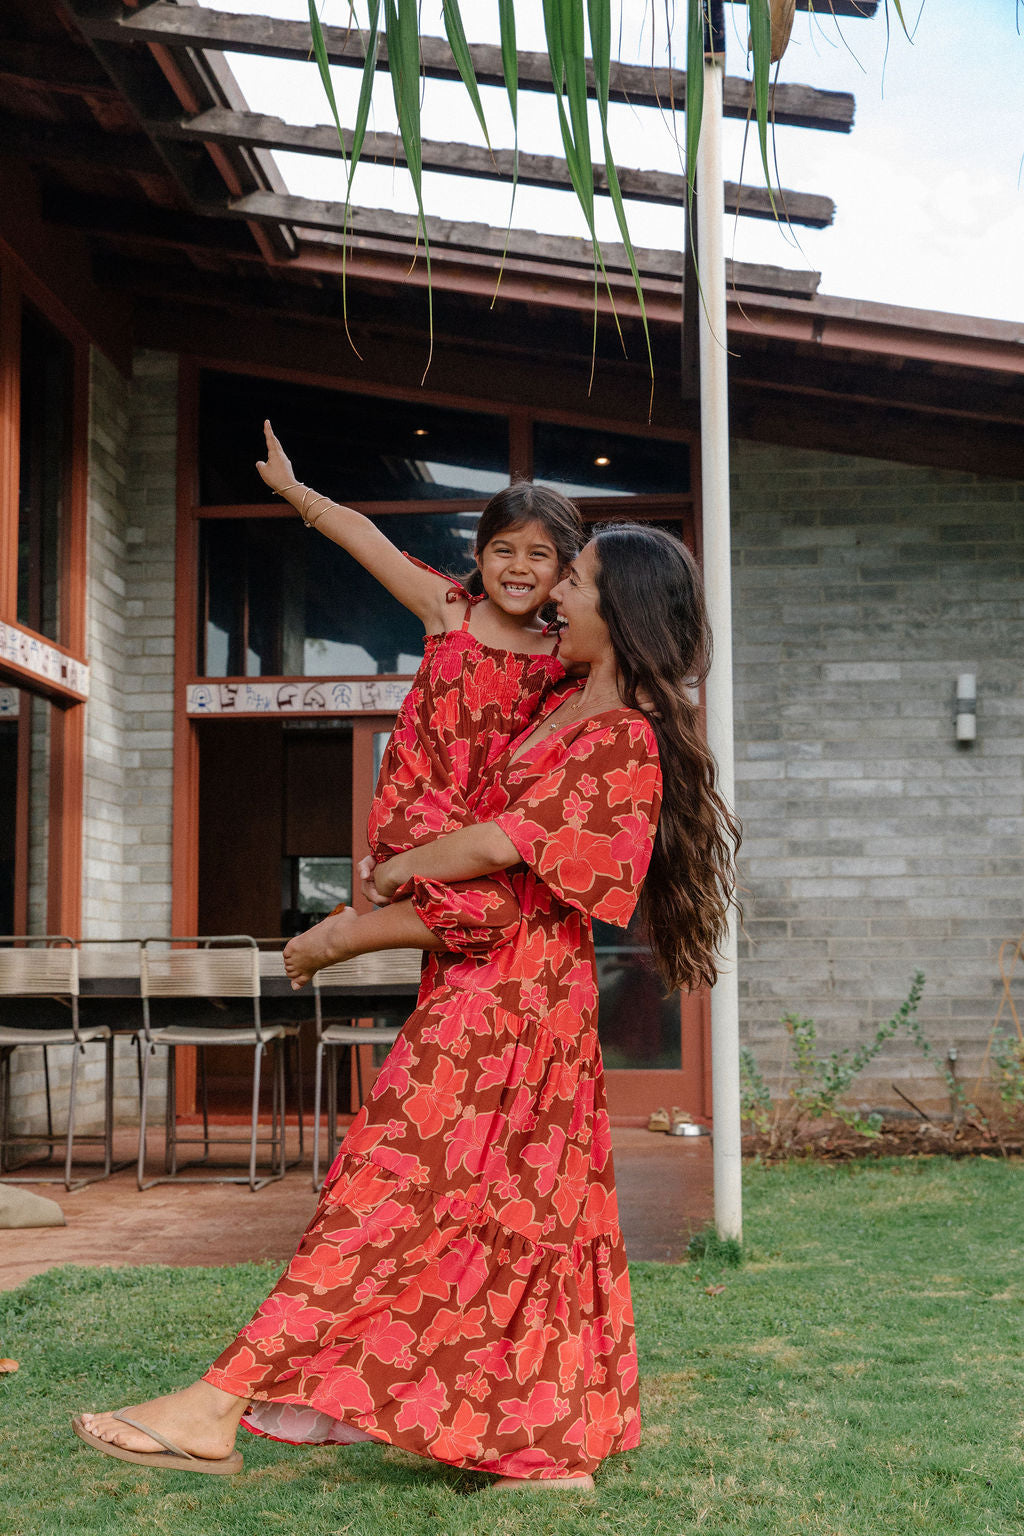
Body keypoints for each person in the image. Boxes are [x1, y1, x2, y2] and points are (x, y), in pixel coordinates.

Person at [74, 524, 740, 1491]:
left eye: (580, 583)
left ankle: (217, 1404)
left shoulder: (624, 741)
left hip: (512, 1010)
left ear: (625, 611)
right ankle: (543, 1448)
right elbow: (472, 790)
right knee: (513, 1214)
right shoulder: (562, 706)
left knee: (390, 1192)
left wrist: (367, 909)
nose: (556, 595)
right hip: (481, 995)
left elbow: (505, 878)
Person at [251, 422, 582, 978]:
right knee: (494, 913)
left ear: (563, 569)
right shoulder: (450, 611)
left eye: (539, 555)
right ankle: (343, 938)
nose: (519, 567)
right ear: (480, 552)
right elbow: (366, 539)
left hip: (479, 827)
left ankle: (356, 924)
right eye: (503, 550)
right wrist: (292, 489)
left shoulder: (563, 652)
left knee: (500, 920)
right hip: (417, 802)